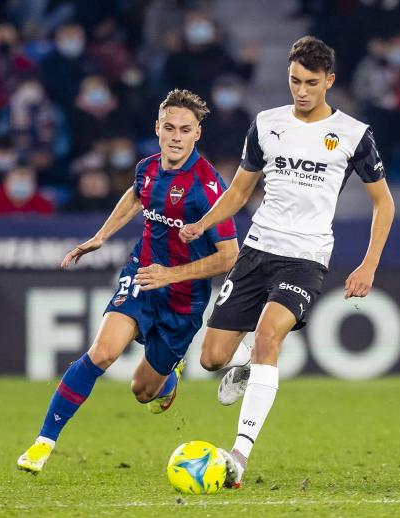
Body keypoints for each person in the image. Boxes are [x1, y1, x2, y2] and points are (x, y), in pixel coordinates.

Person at [180, 36, 395, 488]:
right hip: (258, 249)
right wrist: (202, 223)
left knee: (270, 335)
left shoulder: (354, 135)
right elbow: (239, 190)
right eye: (295, 81)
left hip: (306, 256)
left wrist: (369, 263)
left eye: (311, 83)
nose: (301, 91)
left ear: (329, 82)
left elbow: (384, 204)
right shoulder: (265, 124)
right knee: (211, 359)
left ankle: (239, 453)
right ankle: (241, 358)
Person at [17, 89, 238, 473]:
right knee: (102, 352)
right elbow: (137, 196)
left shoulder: (209, 188)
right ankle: (43, 443)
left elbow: (229, 255)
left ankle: (168, 379)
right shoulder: (147, 167)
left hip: (183, 298)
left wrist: (171, 274)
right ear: (157, 128)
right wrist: (102, 236)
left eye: (185, 130)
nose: (176, 136)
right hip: (141, 275)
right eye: (169, 127)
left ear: (197, 133)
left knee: (143, 391)